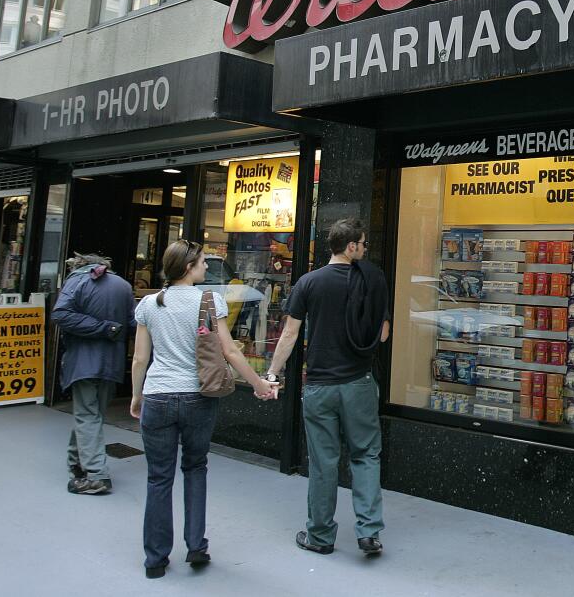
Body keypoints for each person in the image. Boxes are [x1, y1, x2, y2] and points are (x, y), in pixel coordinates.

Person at [130, 240, 277, 579]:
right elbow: (230, 352)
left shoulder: (150, 304)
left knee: (158, 477)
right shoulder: (210, 301)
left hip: (158, 396)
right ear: (188, 267)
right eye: (200, 263)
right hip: (198, 397)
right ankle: (196, 545)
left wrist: (137, 395)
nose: (205, 268)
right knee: (195, 468)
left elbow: (140, 359)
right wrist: (258, 384)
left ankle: (155, 560)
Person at [265, 218, 390, 557]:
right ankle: (369, 534)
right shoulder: (371, 281)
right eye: (362, 244)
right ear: (351, 247)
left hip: (319, 385)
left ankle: (320, 536)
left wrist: (272, 374)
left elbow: (289, 334)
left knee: (323, 462)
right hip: (359, 384)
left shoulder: (308, 282)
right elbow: (382, 334)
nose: (365, 250)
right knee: (366, 455)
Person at [53, 253, 136, 495]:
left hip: (83, 361)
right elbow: (132, 323)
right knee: (91, 415)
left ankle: (96, 475)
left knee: (87, 415)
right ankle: (76, 464)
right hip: (113, 363)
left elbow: (60, 314)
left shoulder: (77, 281)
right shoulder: (123, 285)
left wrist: (101, 328)